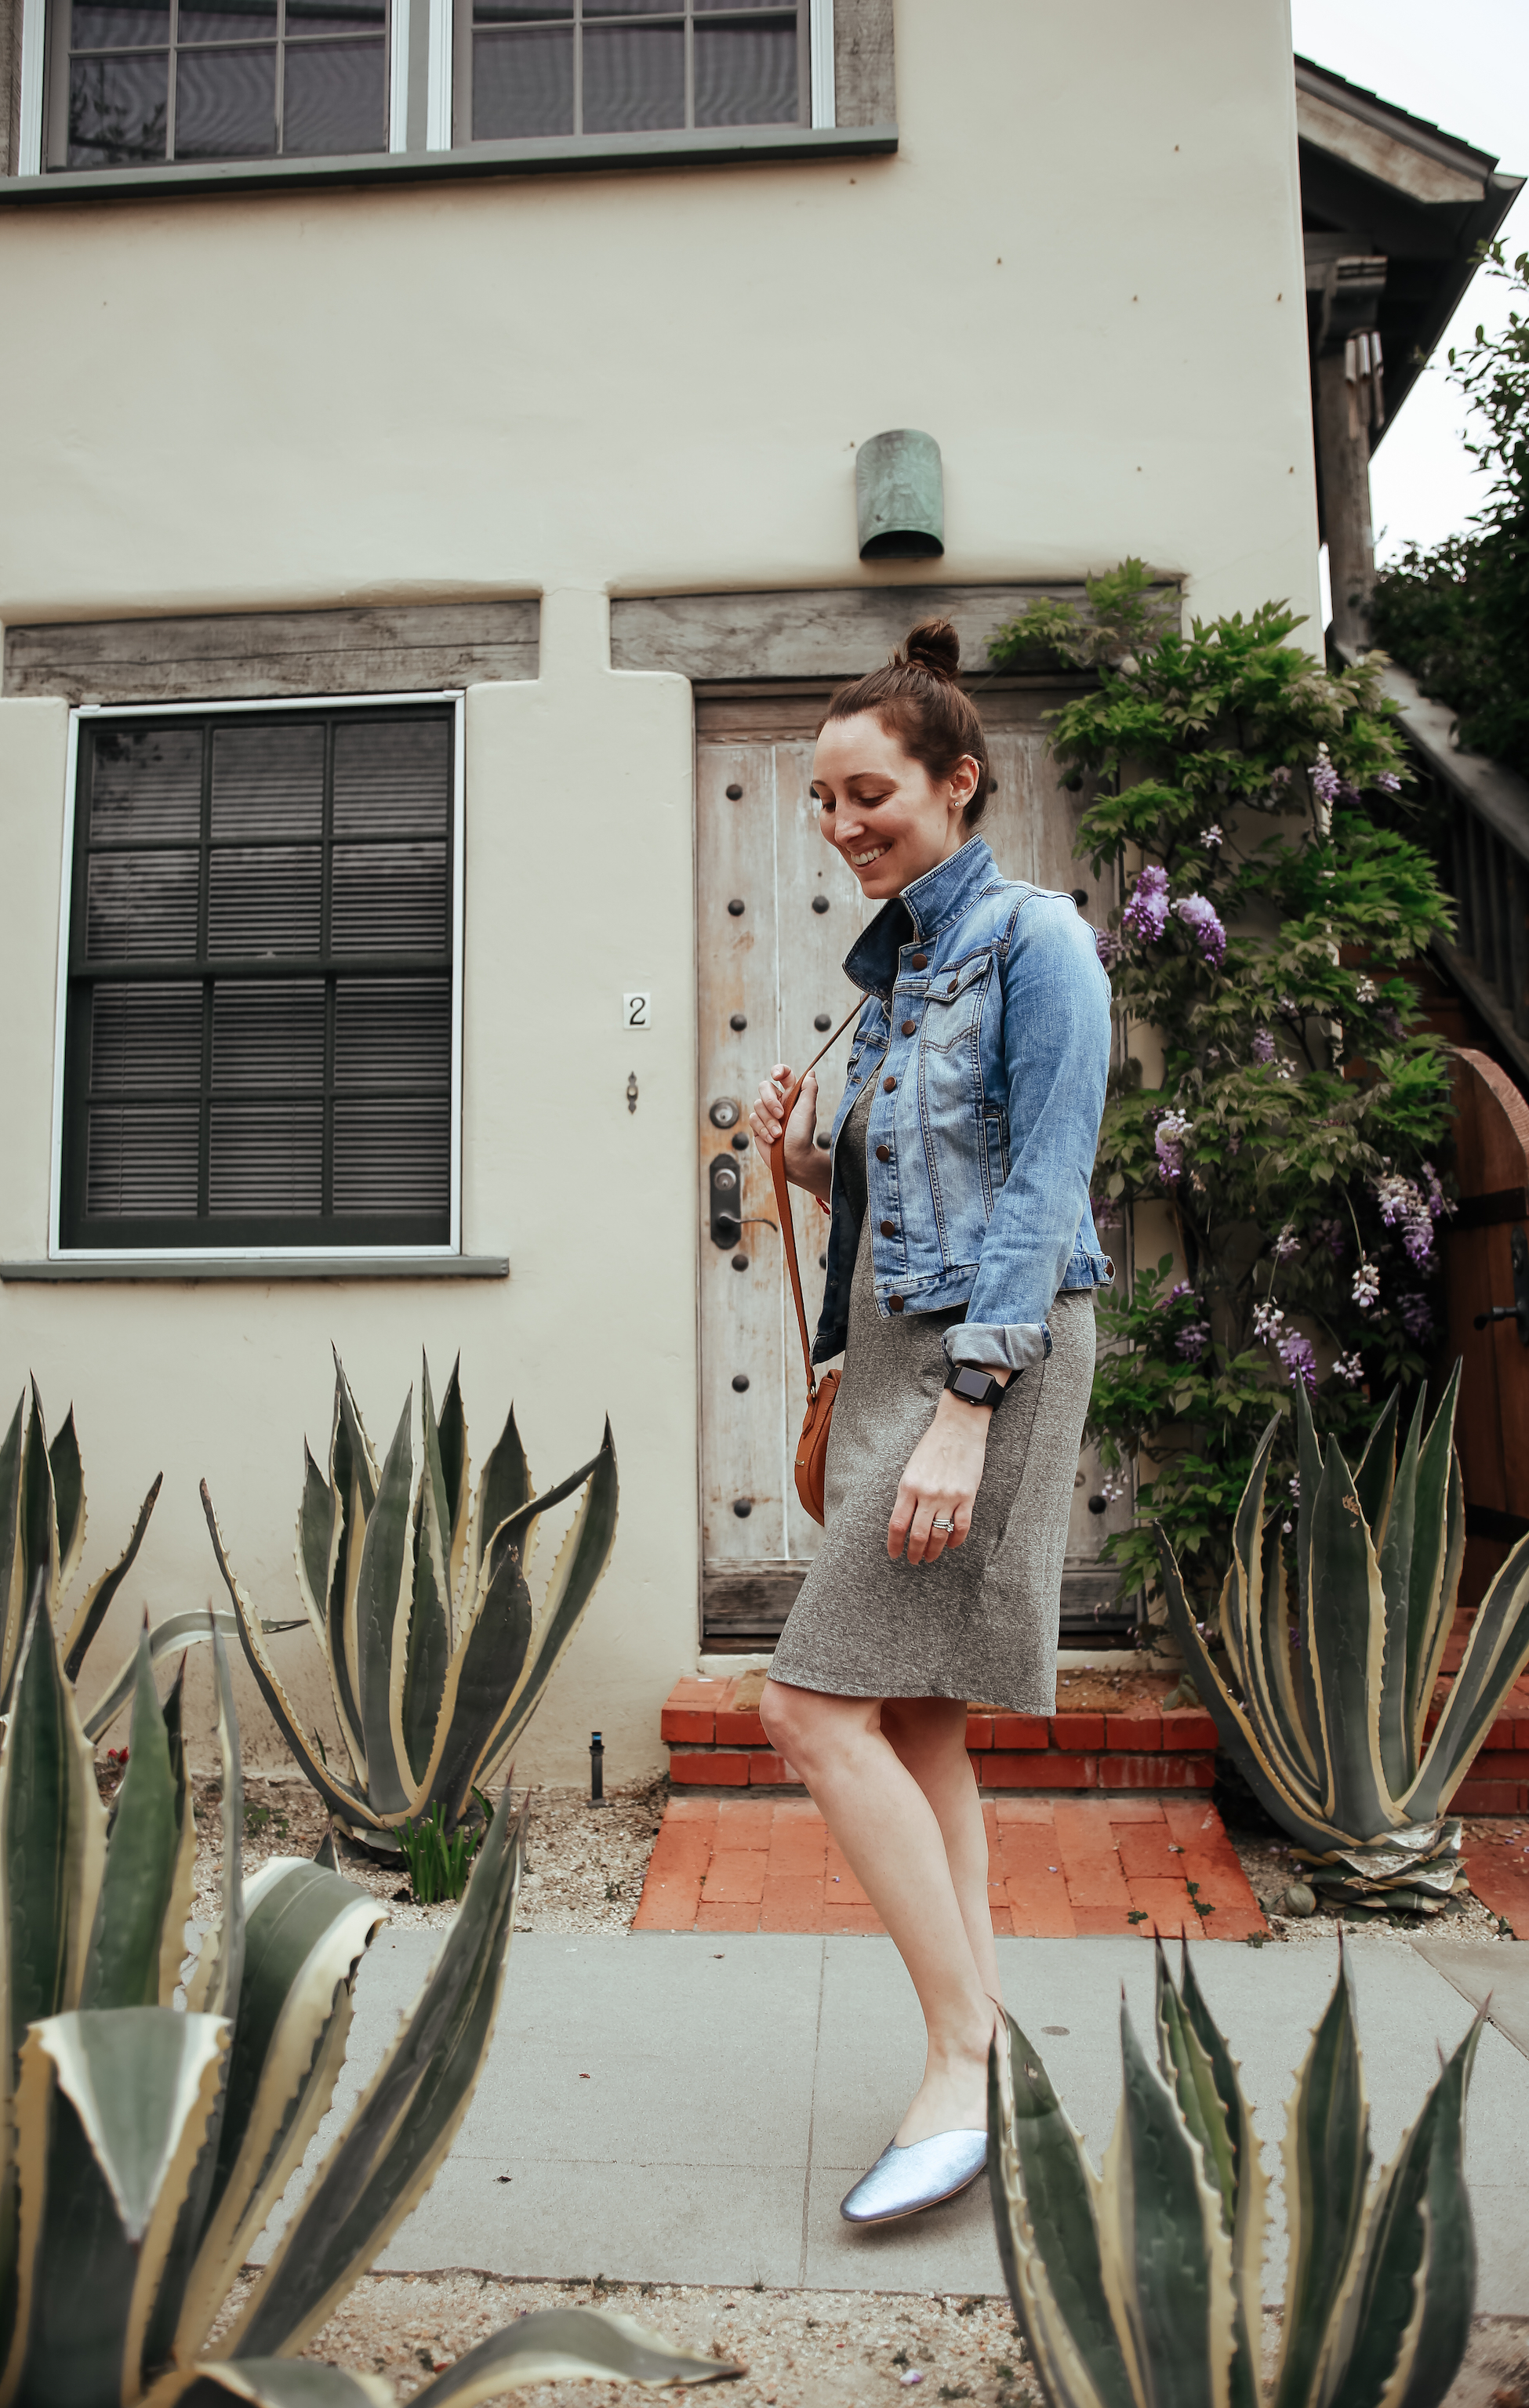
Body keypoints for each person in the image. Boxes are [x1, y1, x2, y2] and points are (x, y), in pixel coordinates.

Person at [748, 618, 1112, 2226]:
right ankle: (981, 2040)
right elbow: (922, 1192)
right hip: (903, 1350)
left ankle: (962, 2051)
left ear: (959, 781)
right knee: (915, 1720)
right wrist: (815, 1161)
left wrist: (970, 1408)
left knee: (808, 1712)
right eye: (821, 803)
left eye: (870, 794)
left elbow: (1040, 1186)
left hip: (993, 1363)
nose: (842, 828)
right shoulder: (890, 971)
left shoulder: (1039, 943)